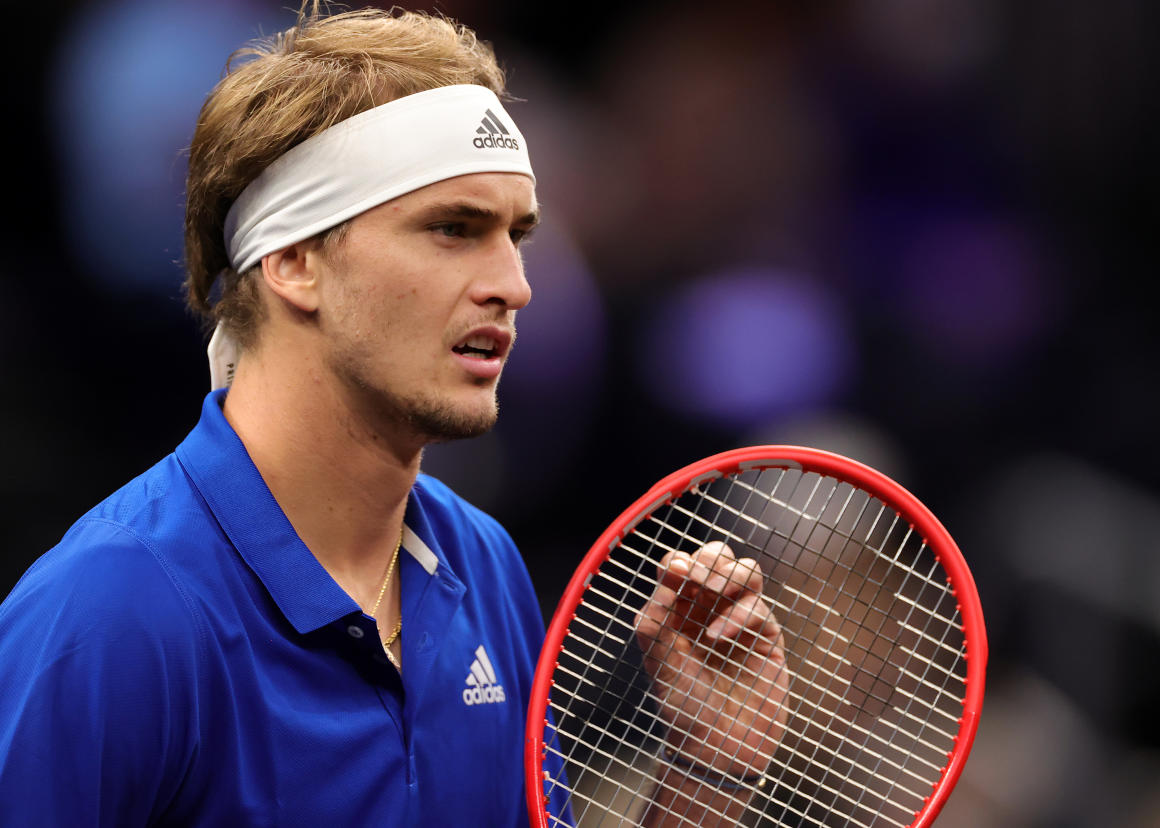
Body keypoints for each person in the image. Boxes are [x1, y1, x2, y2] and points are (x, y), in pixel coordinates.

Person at [0, 3, 787, 825]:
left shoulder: (483, 565)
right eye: (454, 229)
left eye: (516, 236)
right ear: (295, 261)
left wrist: (706, 777)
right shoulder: (107, 613)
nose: (515, 285)